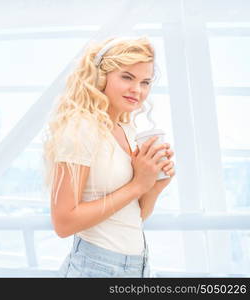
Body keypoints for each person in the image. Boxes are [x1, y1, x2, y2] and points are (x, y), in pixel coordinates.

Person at [42, 36, 175, 277]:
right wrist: (137, 185)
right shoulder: (81, 127)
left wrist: (154, 186)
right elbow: (63, 223)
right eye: (127, 77)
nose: (138, 90)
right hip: (96, 268)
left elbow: (132, 217)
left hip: (137, 267)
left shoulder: (126, 129)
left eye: (145, 82)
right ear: (102, 77)